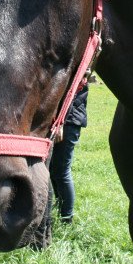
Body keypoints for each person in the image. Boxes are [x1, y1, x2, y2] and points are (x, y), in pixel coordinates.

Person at [49, 83, 88, 224]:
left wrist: (61, 122)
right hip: (64, 121)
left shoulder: (77, 68)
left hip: (69, 122)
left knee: (62, 171)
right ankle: (61, 208)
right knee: (54, 170)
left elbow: (71, 94)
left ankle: (67, 219)